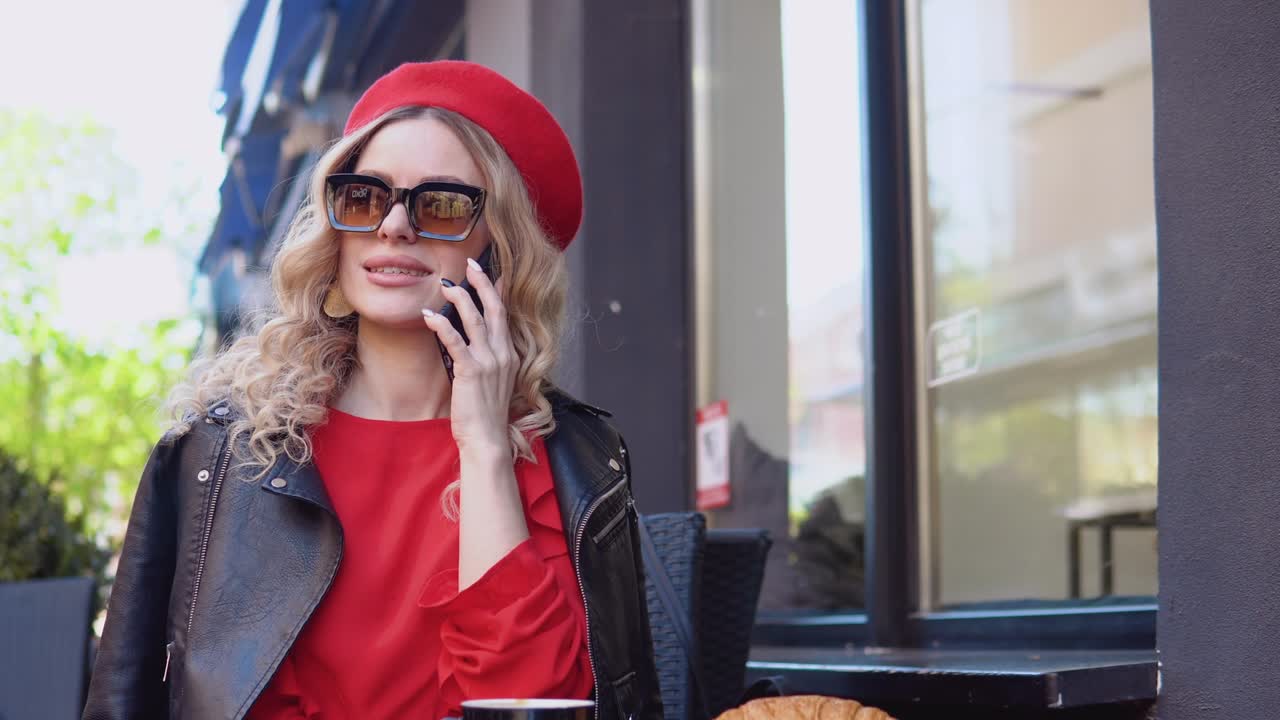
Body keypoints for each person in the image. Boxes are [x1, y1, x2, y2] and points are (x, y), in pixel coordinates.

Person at [83, 60, 661, 720]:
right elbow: (124, 697)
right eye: (365, 196)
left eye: (440, 205)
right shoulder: (223, 449)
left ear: (497, 249)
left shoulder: (567, 459)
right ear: (335, 225)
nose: (392, 226)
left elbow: (534, 706)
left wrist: (484, 448)